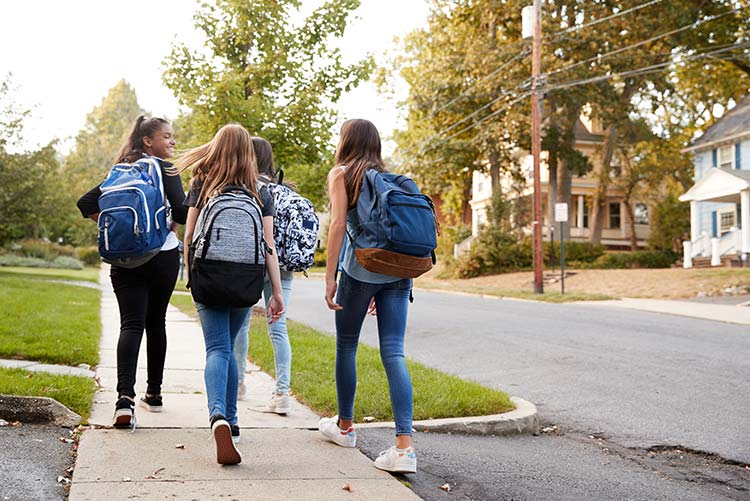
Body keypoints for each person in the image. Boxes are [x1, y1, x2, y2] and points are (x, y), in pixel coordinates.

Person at [178, 124, 285, 465]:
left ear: (216, 147)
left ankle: (217, 417)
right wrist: (276, 293)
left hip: (209, 276)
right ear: (248, 154)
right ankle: (233, 419)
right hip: (246, 281)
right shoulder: (260, 191)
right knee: (231, 347)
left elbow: (190, 236)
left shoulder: (203, 183)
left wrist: (192, 275)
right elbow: (268, 247)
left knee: (217, 349)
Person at [319, 119, 417, 474]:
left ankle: (345, 427)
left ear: (346, 141)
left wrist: (330, 276)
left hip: (359, 272)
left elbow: (338, 225)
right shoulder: (391, 178)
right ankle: (404, 448)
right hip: (398, 271)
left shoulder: (342, 173)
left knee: (347, 346)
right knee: (394, 352)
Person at [76, 116, 186, 428]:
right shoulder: (165, 169)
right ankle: (153, 394)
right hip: (161, 256)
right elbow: (180, 210)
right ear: (148, 141)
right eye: (166, 137)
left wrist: (119, 229)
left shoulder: (118, 171)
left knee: (131, 325)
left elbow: (85, 202)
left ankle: (124, 399)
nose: (172, 142)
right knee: (156, 322)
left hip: (123, 261)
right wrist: (164, 228)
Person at [233, 137, 293, 414]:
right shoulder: (285, 189)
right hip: (284, 266)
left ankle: (239, 384)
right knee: (278, 327)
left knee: (242, 324)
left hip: (254, 263)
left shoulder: (248, 189)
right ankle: (282, 393)